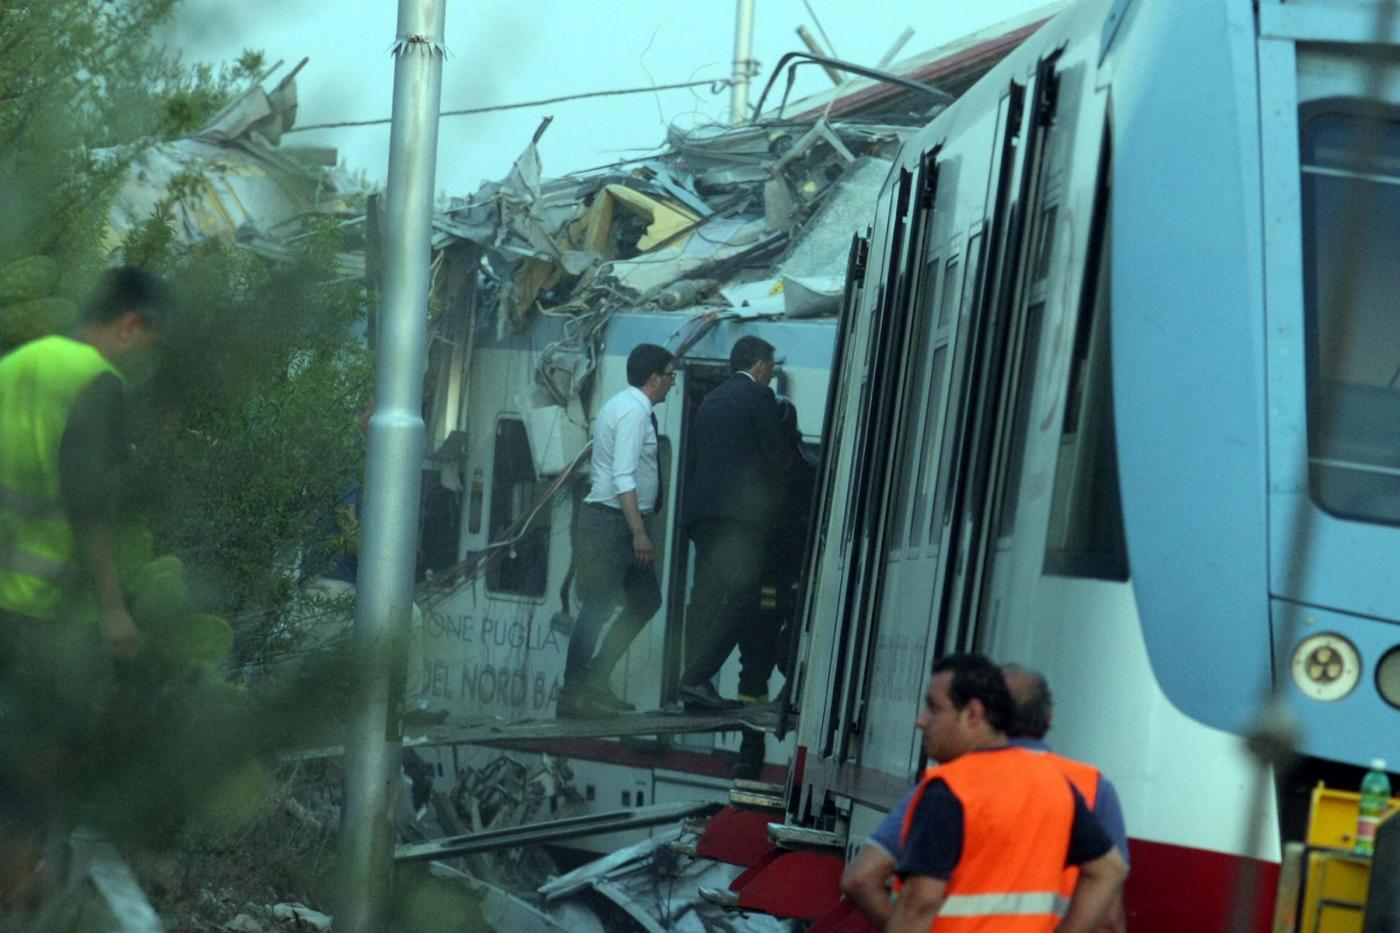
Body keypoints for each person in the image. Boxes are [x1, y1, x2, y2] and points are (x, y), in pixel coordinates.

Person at [0, 265, 168, 908]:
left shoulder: (19, 364)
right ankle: (17, 887)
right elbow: (88, 504)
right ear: (130, 326)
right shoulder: (94, 383)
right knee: (31, 760)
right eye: (150, 342)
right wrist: (113, 608)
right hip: (33, 612)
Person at [842, 663, 1130, 930]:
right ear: (1049, 718)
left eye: (933, 707)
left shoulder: (952, 788)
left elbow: (896, 891)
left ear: (978, 713)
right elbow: (1111, 880)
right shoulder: (1071, 786)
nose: (921, 720)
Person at [557, 343, 675, 719]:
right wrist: (640, 533)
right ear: (654, 378)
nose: (673, 383)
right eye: (670, 375)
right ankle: (574, 692)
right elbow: (624, 475)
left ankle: (595, 678)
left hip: (621, 522)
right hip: (612, 523)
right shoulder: (633, 414)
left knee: (645, 601)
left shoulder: (629, 407)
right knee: (597, 608)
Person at [678, 336, 786, 712]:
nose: (771, 376)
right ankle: (695, 677)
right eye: (771, 368)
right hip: (738, 521)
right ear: (759, 366)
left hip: (703, 517)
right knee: (743, 600)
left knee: (705, 599)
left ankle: (694, 684)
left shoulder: (711, 400)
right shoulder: (758, 397)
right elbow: (777, 458)